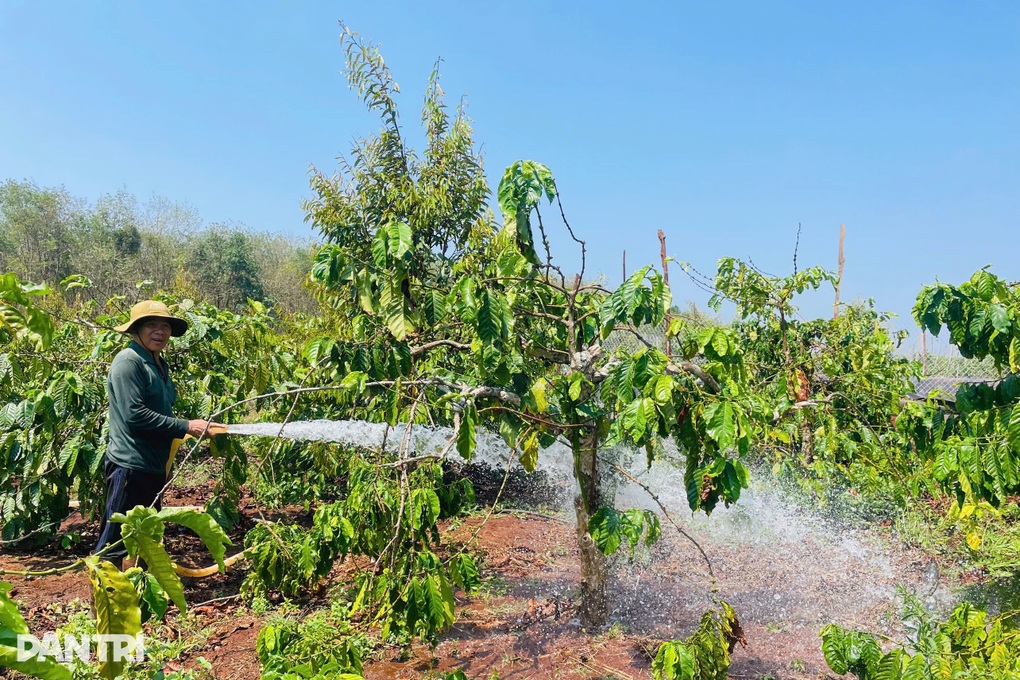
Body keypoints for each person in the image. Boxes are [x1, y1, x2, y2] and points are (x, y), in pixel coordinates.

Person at [93, 300, 218, 565]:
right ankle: (104, 600)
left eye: (165, 326)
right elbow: (134, 415)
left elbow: (162, 409)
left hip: (152, 465)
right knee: (113, 541)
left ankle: (138, 595)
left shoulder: (158, 363)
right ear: (136, 329)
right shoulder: (129, 362)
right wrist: (186, 426)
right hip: (129, 465)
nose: (159, 331)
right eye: (151, 325)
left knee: (145, 535)